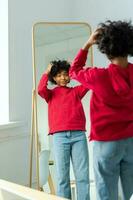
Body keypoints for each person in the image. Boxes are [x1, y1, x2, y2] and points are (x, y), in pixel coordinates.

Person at [69, 20, 133, 200]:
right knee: (129, 194)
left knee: (106, 194)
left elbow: (74, 70)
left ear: (105, 49)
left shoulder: (98, 76)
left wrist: (87, 44)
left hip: (106, 142)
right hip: (131, 141)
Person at [38, 60, 90, 200]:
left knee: (82, 176)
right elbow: (40, 90)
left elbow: (88, 82)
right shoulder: (51, 94)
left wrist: (74, 70)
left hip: (78, 135)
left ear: (69, 76)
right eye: (59, 75)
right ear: (54, 78)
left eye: (66, 74)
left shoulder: (76, 92)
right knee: (62, 177)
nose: (63, 78)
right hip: (60, 137)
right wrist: (46, 72)